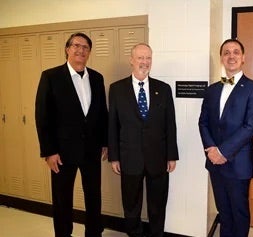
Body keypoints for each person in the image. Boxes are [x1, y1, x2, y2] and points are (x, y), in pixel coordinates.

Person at [35, 32, 108, 237]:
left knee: (94, 197)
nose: (80, 50)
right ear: (67, 49)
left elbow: (102, 112)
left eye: (85, 47)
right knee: (62, 199)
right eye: (76, 45)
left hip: (92, 149)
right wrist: (49, 151)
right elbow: (42, 116)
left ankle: (94, 233)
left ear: (89, 52)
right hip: (62, 152)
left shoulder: (96, 77)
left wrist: (104, 142)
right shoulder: (51, 77)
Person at [108, 43, 179, 237]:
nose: (144, 62)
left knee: (157, 204)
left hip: (158, 158)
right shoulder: (116, 89)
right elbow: (112, 126)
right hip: (129, 158)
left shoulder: (163, 89)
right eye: (140, 58)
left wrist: (171, 156)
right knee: (131, 206)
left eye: (148, 58)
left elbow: (170, 125)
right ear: (131, 60)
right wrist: (114, 157)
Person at [198, 39, 253, 237]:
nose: (231, 56)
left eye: (236, 52)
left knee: (239, 213)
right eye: (226, 52)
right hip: (215, 163)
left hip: (238, 164)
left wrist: (223, 151)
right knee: (224, 212)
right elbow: (203, 122)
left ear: (243, 58)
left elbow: (251, 125)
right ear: (221, 58)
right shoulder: (212, 90)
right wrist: (211, 149)